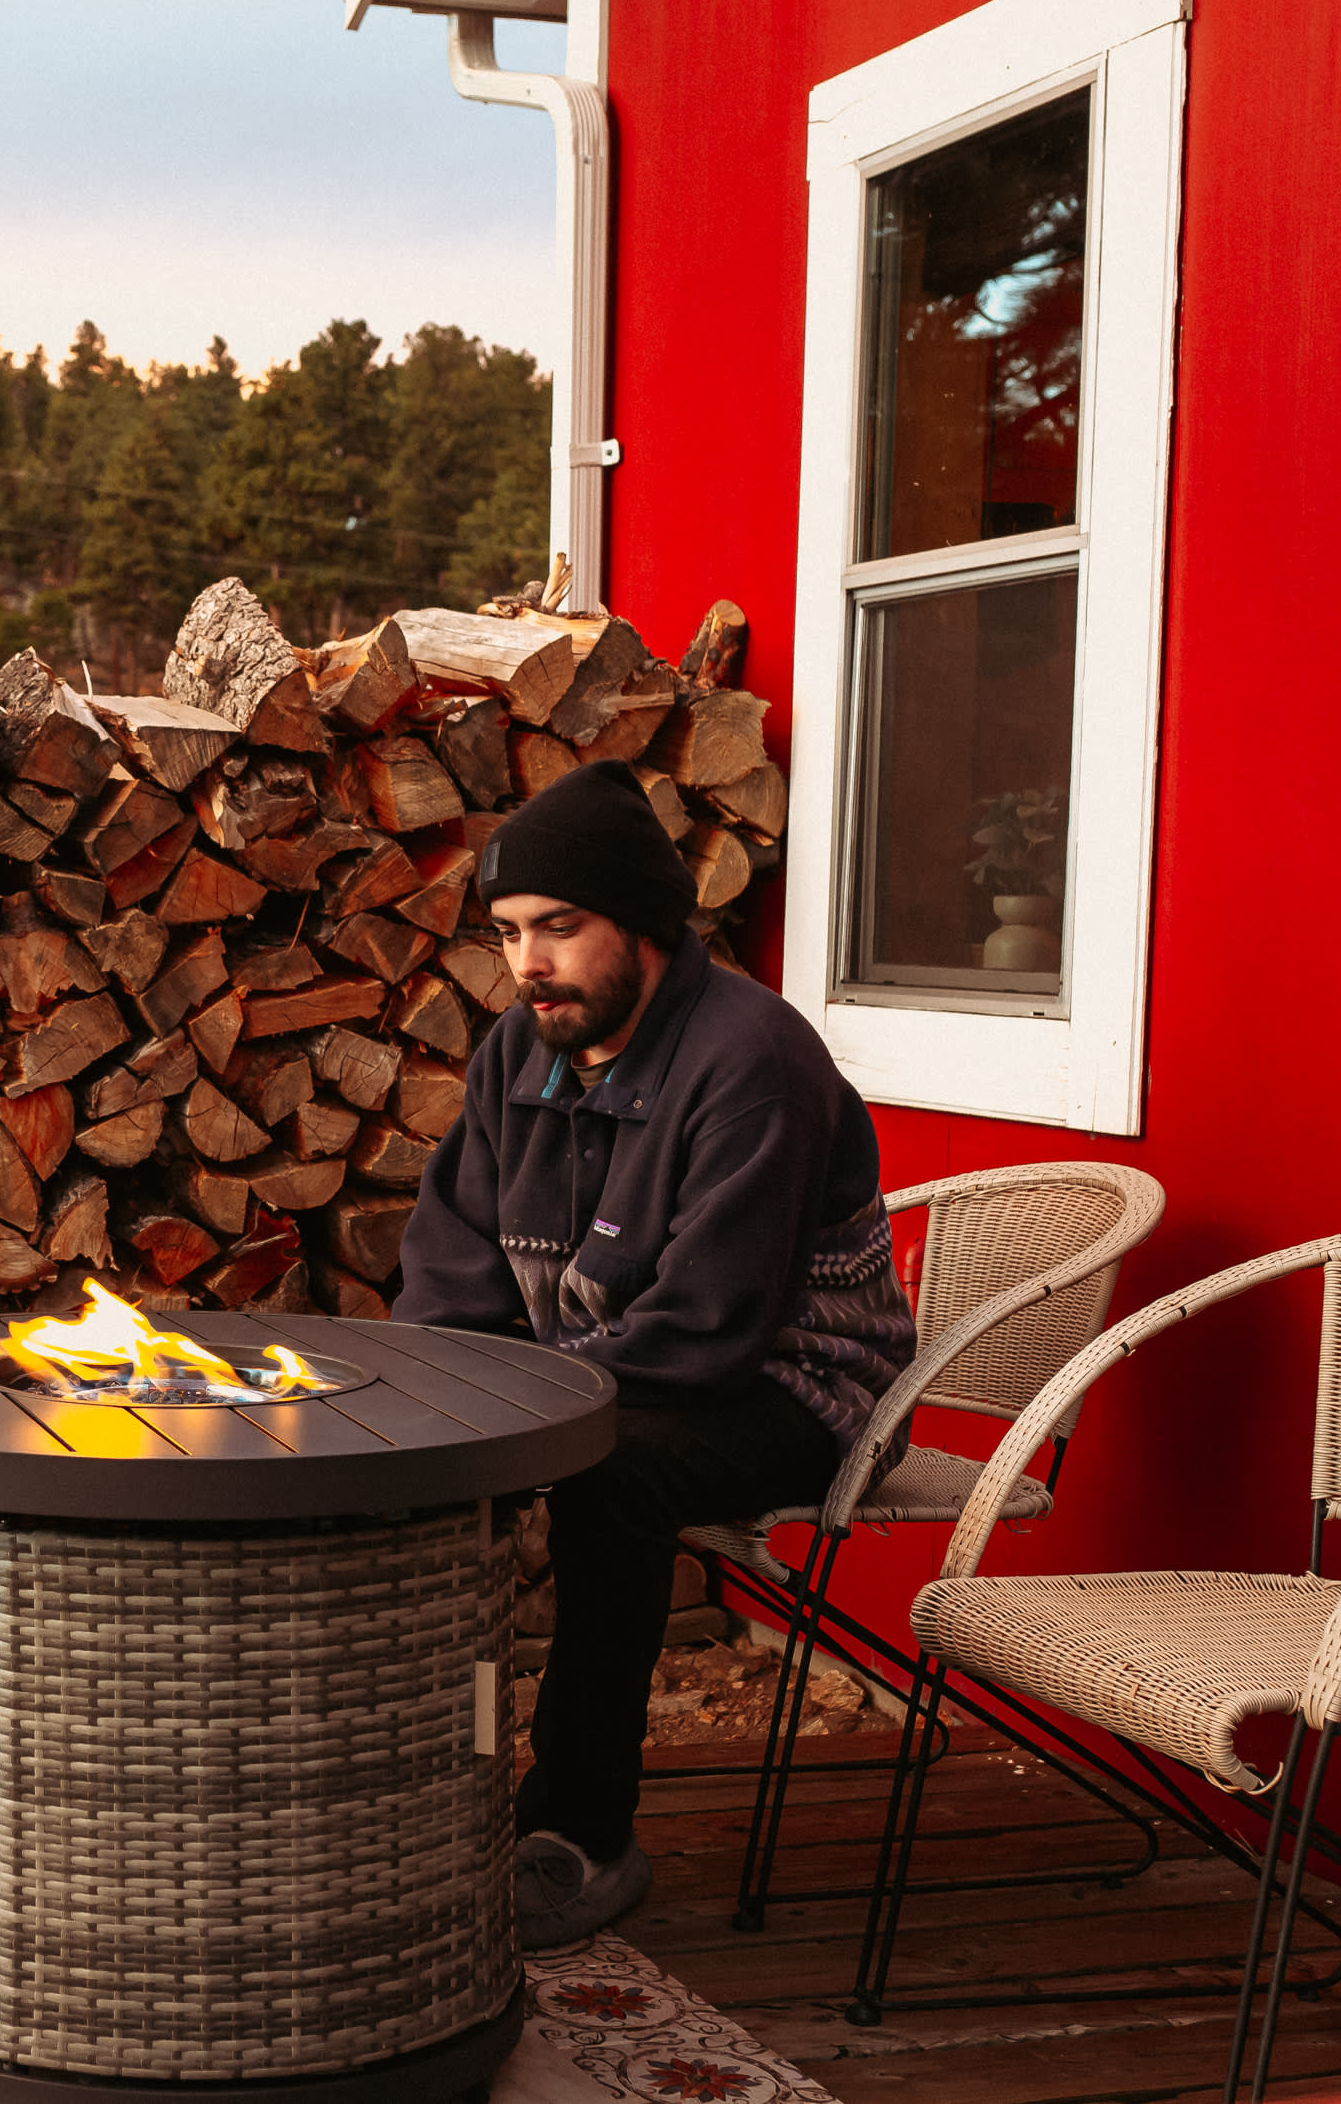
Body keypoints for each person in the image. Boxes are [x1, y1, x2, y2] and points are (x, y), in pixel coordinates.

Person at [394, 760, 914, 1945]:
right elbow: (451, 1265)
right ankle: (433, 1793)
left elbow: (705, 1330)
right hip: (590, 1374)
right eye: (510, 932)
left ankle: (580, 1835)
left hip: (794, 1386)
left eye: (559, 929)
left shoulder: (752, 1064)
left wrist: (517, 1424)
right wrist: (436, 1408)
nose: (527, 964)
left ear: (641, 923)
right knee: (423, 1472)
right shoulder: (518, 1049)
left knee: (606, 1475)